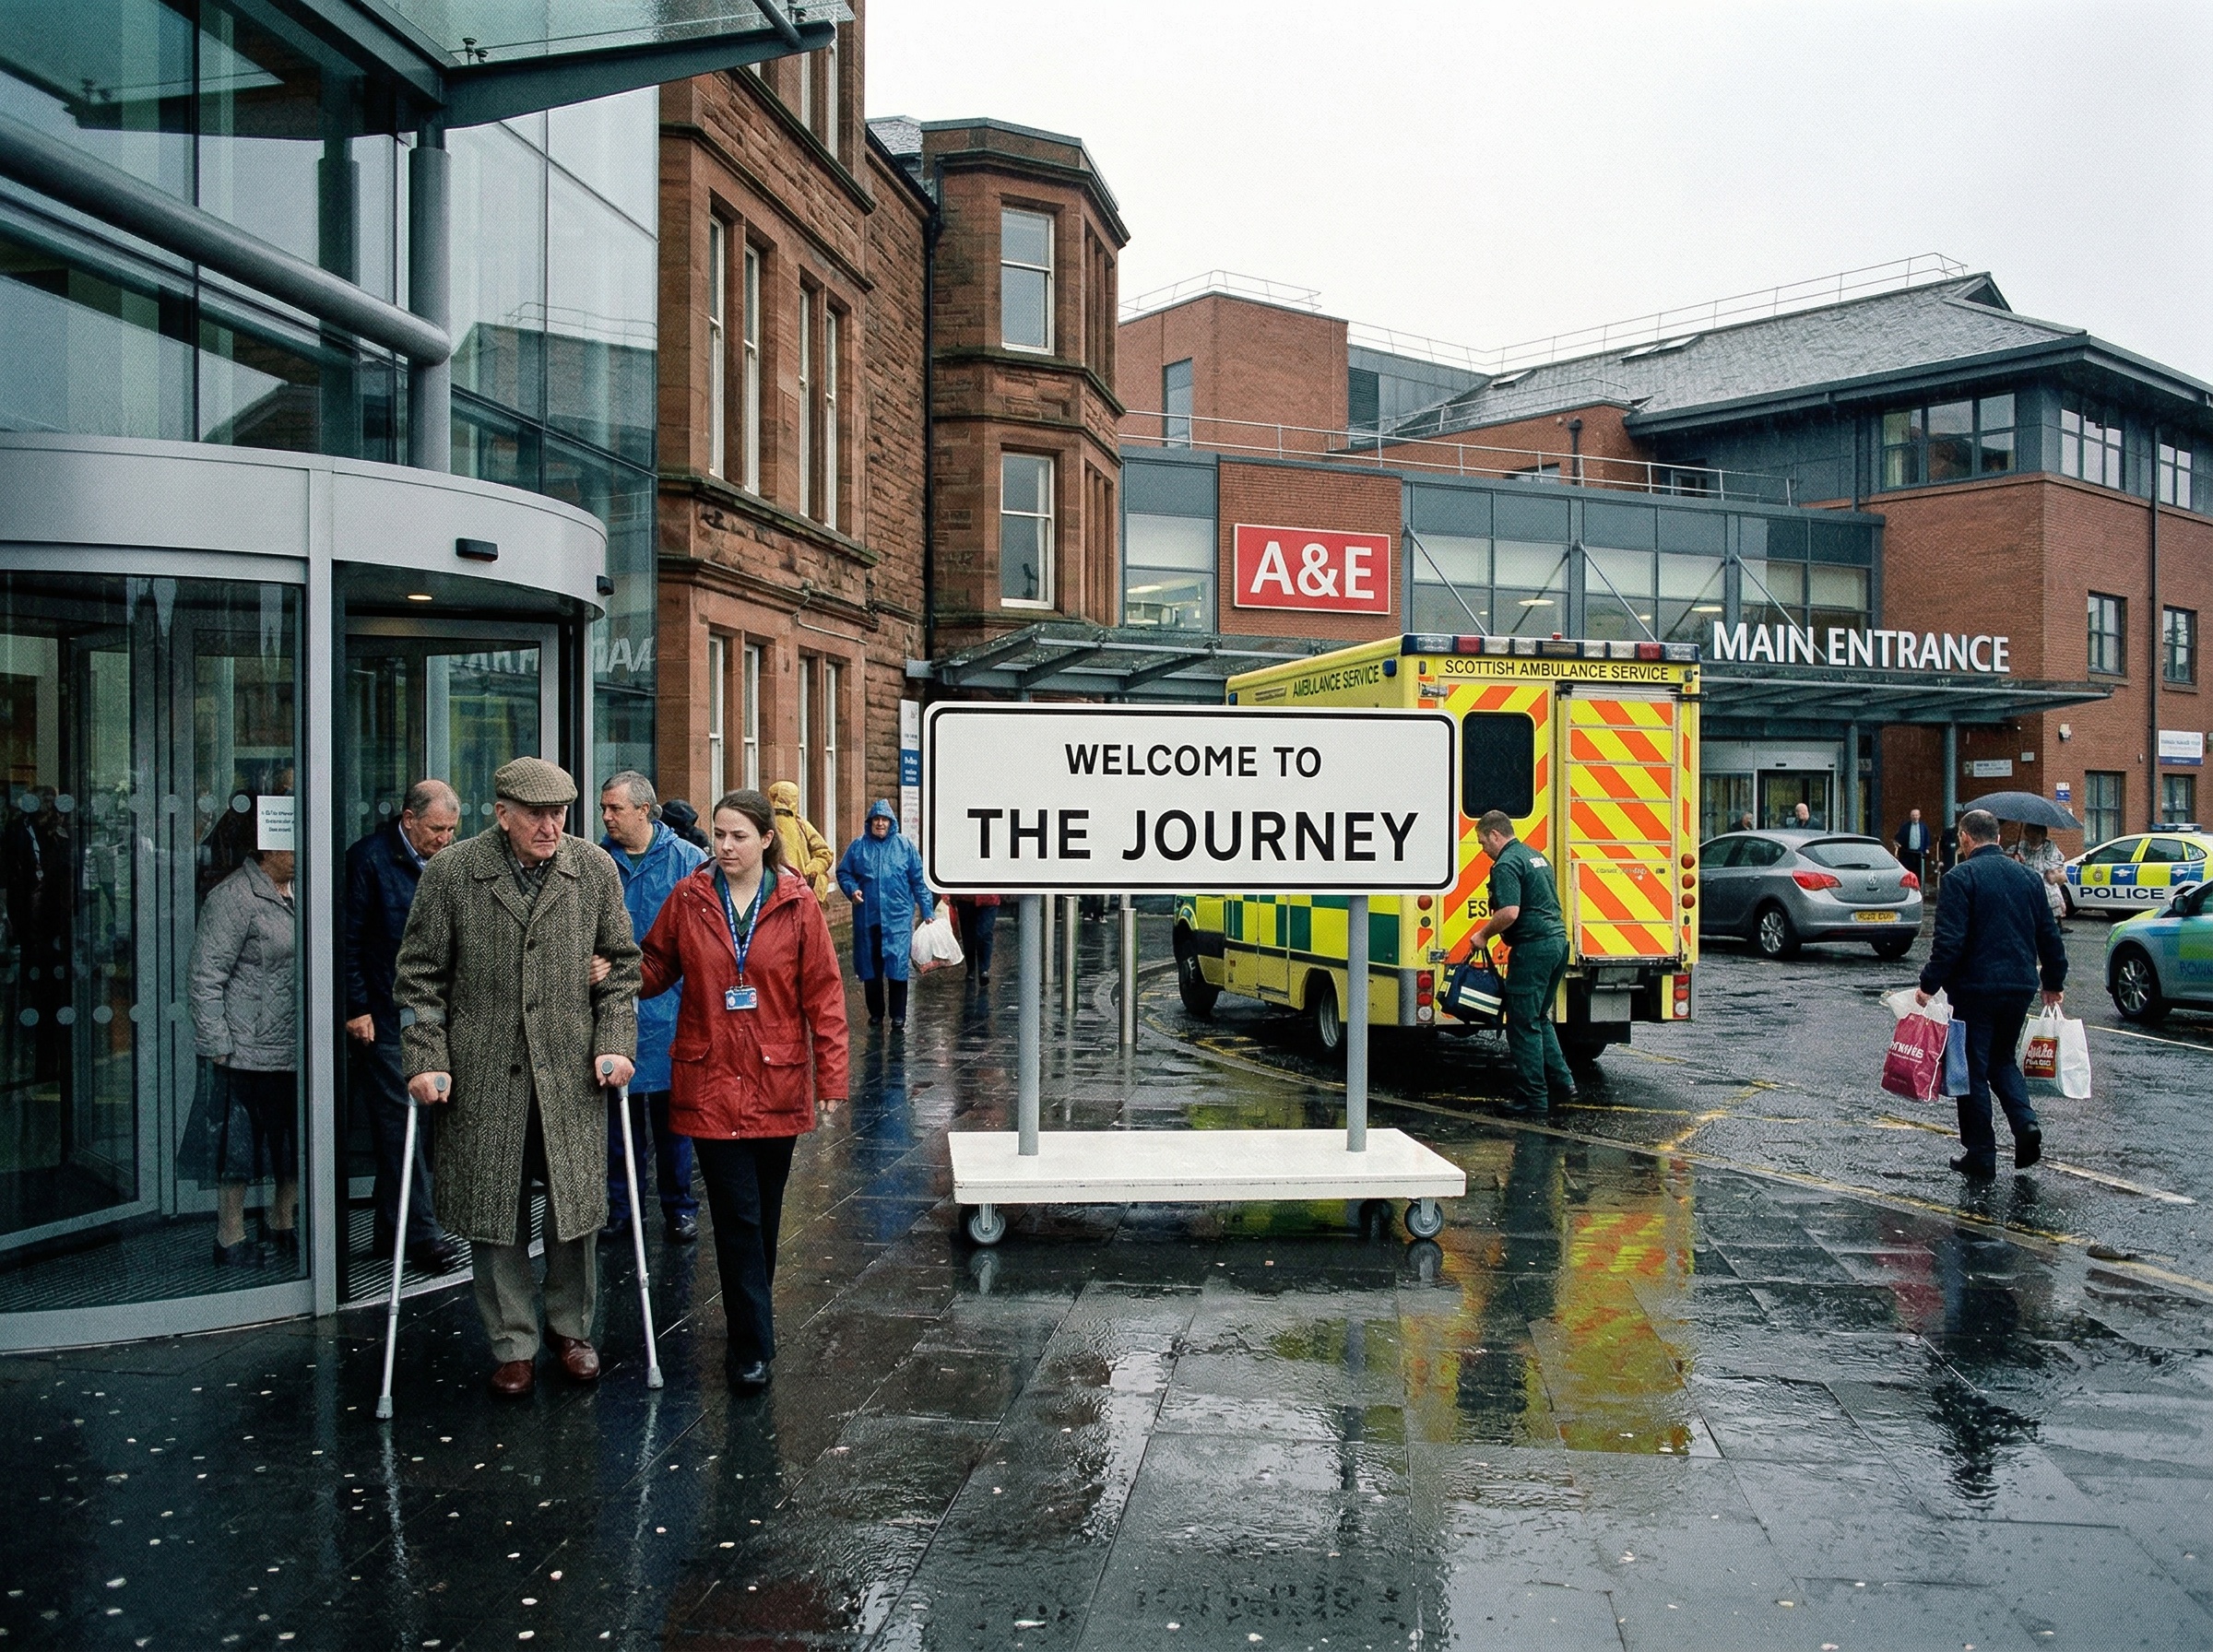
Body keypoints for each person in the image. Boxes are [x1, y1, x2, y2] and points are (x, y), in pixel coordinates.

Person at [396, 758, 641, 1398]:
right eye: (535, 813)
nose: (549, 825)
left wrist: (615, 1043)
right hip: (484, 1069)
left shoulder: (592, 869)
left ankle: (570, 1327)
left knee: (574, 1206)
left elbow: (620, 967)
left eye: (559, 812)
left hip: (570, 1068)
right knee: (493, 1207)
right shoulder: (453, 873)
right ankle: (512, 1342)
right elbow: (420, 977)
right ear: (501, 813)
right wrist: (426, 1057)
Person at [638, 788, 847, 1389]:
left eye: (736, 836)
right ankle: (751, 1345)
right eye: (718, 835)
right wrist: (612, 969)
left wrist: (830, 1074)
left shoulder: (796, 902)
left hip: (776, 1079)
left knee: (766, 1214)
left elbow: (824, 994)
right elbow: (657, 965)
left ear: (764, 839)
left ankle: (751, 1320)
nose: (724, 846)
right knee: (737, 1213)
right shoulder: (690, 896)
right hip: (708, 1079)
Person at [343, 780, 465, 1274]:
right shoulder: (369, 860)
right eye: (437, 828)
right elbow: (347, 939)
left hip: (435, 1012)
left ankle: (390, 1230)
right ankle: (422, 1234)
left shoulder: (449, 864)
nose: (445, 839)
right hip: (386, 1012)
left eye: (453, 830)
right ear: (409, 819)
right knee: (402, 1126)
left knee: (423, 1124)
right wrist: (356, 1007)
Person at [1916, 808, 2066, 1179]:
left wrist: (1927, 985)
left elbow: (1949, 943)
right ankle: (2025, 1123)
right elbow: (2049, 935)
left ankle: (1981, 1153)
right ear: (1998, 839)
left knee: (1972, 1070)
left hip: (1975, 989)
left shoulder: (1959, 877)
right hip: (2019, 986)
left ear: (1966, 839)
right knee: (2002, 1059)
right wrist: (2054, 983)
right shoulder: (2028, 879)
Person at [599, 770, 707, 1245]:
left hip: (672, 1008)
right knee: (616, 1123)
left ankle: (679, 1207)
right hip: (609, 1011)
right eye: (604, 809)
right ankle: (621, 1209)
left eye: (614, 809)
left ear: (644, 810)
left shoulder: (689, 860)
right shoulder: (595, 861)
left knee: (672, 1121)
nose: (607, 818)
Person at [187, 840, 300, 1264]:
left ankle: (282, 1220)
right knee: (238, 1147)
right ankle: (229, 1236)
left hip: (294, 1045)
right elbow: (206, 976)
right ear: (267, 851)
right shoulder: (233, 897)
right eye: (292, 846)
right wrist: (216, 1043)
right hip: (246, 1048)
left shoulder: (302, 890)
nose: (303, 853)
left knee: (292, 1140)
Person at [1468, 810, 1574, 1115]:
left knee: (1522, 1024)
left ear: (1495, 835)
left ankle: (1534, 1099)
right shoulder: (1535, 856)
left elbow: (1510, 912)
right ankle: (1564, 1083)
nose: (1482, 849)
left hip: (1533, 950)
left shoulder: (1506, 864)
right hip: (1557, 943)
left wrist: (1483, 935)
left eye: (1482, 842)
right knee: (1540, 1018)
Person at [836, 799, 932, 1029]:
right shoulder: (858, 847)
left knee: (898, 965)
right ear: (870, 822)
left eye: (884, 820)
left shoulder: (905, 847)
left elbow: (918, 881)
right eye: (876, 820)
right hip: (868, 916)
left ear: (891, 823)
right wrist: (852, 889)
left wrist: (927, 910)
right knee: (871, 967)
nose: (880, 824)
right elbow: (844, 872)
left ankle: (899, 1015)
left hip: (897, 916)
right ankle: (876, 1012)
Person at [768, 781, 834, 901]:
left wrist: (810, 871)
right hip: (775, 888)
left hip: (803, 889)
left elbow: (824, 853)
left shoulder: (800, 824)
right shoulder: (766, 824)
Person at [2008, 821, 2067, 921]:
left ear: (2042, 835)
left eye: (2035, 836)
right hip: (2026, 891)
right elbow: (2007, 860)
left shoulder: (2050, 847)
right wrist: (2014, 859)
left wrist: (2026, 865)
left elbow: (2053, 869)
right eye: (2029, 835)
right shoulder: (2020, 847)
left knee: (2047, 924)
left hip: (2047, 892)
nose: (2031, 839)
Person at [951, 892, 1000, 986]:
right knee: (968, 935)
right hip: (965, 897)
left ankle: (984, 969)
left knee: (985, 933)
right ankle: (971, 969)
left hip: (989, 898)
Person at [1895, 808, 1931, 885]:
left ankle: (1919, 885)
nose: (1915, 817)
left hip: (1919, 853)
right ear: (1910, 816)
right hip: (1908, 853)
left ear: (1919, 816)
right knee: (1908, 871)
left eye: (1916, 815)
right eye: (1913, 815)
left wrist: (1927, 848)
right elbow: (1899, 837)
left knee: (1919, 871)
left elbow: (1927, 838)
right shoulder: (1905, 826)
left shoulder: (1923, 827)